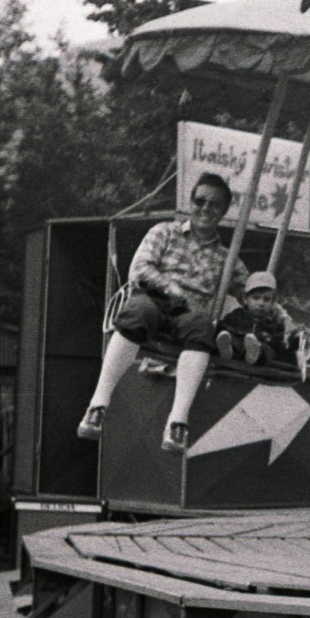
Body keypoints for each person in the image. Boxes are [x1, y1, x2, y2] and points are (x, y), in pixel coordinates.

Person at [77, 172, 249, 453]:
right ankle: (97, 405)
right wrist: (170, 287)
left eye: (214, 204)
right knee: (137, 312)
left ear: (224, 211)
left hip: (190, 314)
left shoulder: (226, 257)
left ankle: (177, 422)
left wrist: (265, 298)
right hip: (156, 299)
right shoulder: (164, 232)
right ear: (191, 202)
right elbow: (140, 270)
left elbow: (249, 290)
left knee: (204, 328)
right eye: (200, 200)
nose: (205, 208)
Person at [216, 270, 301, 365]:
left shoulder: (274, 322)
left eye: (266, 299)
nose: (261, 303)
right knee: (230, 336)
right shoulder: (237, 315)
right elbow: (223, 326)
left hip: (260, 350)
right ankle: (227, 350)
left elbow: (277, 344)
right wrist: (221, 331)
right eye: (256, 298)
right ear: (245, 299)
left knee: (268, 349)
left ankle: (255, 354)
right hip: (239, 346)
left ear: (272, 302)